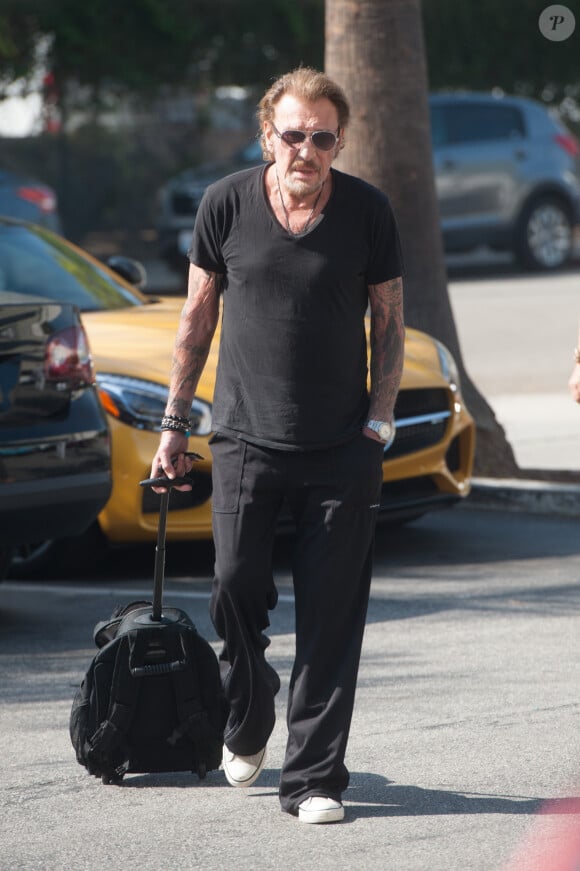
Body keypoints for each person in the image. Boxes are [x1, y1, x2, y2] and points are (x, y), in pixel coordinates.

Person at [150, 67, 405, 824]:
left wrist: (380, 421)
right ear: (268, 135)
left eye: (322, 137)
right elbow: (197, 319)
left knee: (332, 619)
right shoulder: (224, 203)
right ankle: (249, 709)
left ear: (339, 142)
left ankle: (315, 778)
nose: (307, 150)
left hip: (341, 450)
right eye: (293, 134)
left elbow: (389, 321)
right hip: (241, 439)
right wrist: (174, 424)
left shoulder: (368, 212)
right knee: (233, 587)